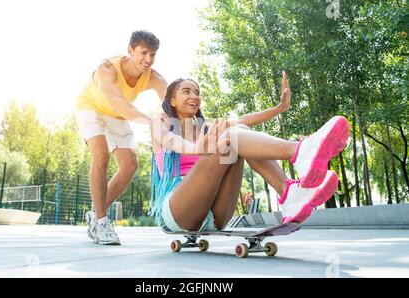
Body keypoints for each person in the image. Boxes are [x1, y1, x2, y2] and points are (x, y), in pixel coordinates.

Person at [149, 72, 350, 232]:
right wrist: (197, 149)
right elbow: (170, 141)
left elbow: (243, 120)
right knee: (229, 138)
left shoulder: (208, 129)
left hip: (215, 215)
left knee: (238, 132)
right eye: (186, 91)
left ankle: (288, 192)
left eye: (197, 92)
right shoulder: (161, 123)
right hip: (179, 210)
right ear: (172, 100)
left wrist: (280, 108)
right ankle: (299, 151)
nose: (194, 96)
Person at [75, 30, 168, 244]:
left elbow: (170, 99)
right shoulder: (107, 68)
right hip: (91, 107)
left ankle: (95, 212)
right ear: (130, 50)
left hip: (117, 115)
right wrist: (150, 121)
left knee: (130, 165)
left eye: (152, 54)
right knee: (101, 156)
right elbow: (117, 102)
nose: (148, 60)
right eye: (143, 53)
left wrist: (176, 121)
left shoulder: (153, 76)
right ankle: (101, 222)